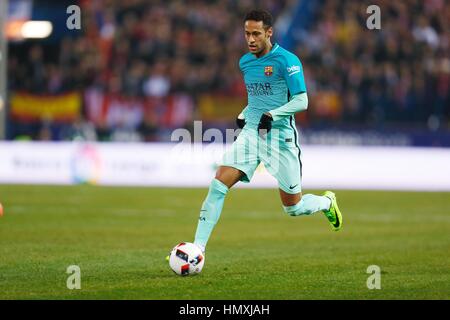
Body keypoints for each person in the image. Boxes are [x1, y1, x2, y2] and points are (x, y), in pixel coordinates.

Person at [171, 10, 343, 259]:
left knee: (293, 207)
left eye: (256, 34)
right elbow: (257, 99)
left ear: (269, 33)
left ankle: (327, 202)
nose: (250, 39)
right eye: (246, 33)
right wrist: (245, 113)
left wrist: (273, 115)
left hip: (281, 139)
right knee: (219, 183)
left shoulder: (288, 61)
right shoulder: (245, 62)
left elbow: (302, 101)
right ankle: (198, 248)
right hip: (252, 133)